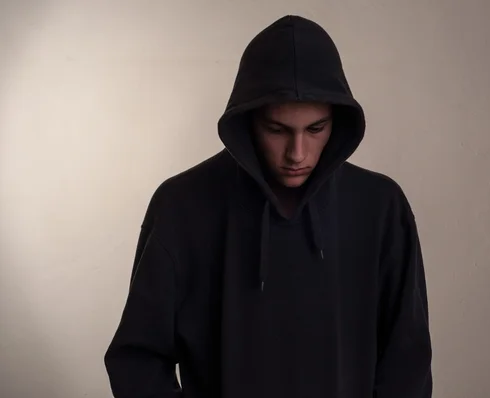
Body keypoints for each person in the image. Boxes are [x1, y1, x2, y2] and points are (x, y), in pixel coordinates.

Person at [104, 14, 432, 398]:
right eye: (277, 130)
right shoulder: (181, 207)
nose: (298, 153)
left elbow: (406, 366)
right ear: (248, 121)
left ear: (337, 121)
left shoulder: (380, 208)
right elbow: (137, 360)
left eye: (316, 129)